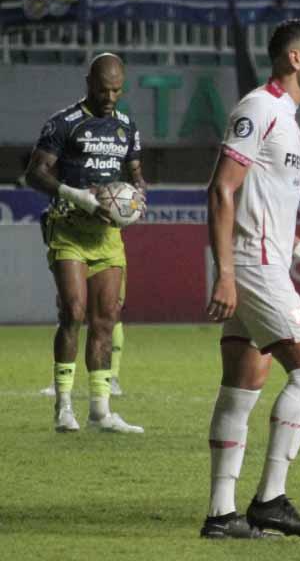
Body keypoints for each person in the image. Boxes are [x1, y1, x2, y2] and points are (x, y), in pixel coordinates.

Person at [201, 18, 300, 539]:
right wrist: (226, 274)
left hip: (263, 261)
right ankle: (271, 500)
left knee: (242, 387)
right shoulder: (259, 107)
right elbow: (222, 190)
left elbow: (262, 203)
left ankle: (221, 515)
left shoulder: (286, 117)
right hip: (252, 266)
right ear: (295, 58)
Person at [26, 52, 146, 434]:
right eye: (103, 89)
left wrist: (137, 197)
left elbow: (135, 174)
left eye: (117, 90)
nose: (110, 97)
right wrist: (76, 195)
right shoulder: (64, 123)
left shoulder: (127, 126)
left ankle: (100, 410)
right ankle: (63, 406)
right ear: (89, 83)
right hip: (69, 229)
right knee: (73, 312)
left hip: (107, 236)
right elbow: (34, 173)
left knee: (106, 319)